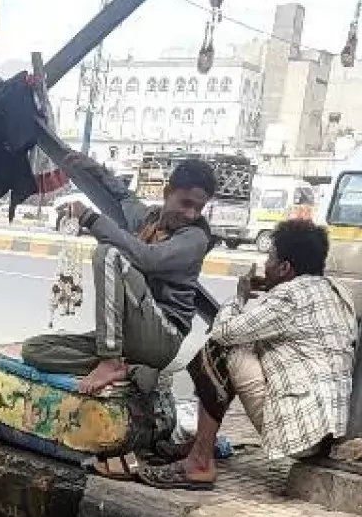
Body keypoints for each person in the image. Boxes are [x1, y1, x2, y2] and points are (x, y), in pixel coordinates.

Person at [147, 219, 360, 490]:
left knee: (220, 349)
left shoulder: (289, 295)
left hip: (299, 434)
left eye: (271, 257)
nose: (266, 263)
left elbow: (222, 333)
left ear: (285, 268)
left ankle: (200, 461)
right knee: (246, 344)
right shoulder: (337, 292)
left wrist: (239, 297)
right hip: (328, 429)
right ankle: (201, 443)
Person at [22, 155, 216, 410]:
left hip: (163, 336)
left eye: (198, 208)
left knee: (108, 254)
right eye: (186, 203)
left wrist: (90, 218)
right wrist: (97, 170)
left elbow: (148, 259)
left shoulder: (195, 238)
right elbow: (125, 198)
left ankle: (111, 361)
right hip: (131, 337)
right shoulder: (150, 219)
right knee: (35, 350)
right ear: (168, 192)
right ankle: (132, 369)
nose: (190, 214)